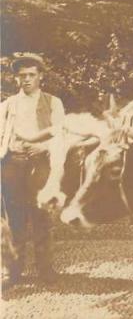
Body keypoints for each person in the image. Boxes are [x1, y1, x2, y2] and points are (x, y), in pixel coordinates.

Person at [1, 53, 65, 287]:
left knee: (42, 216)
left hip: (41, 164)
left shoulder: (53, 102)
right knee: (13, 219)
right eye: (21, 76)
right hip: (12, 164)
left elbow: (61, 133)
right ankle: (12, 271)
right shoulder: (7, 106)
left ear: (40, 77)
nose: (26, 79)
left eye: (31, 75)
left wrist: (43, 146)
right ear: (15, 79)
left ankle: (46, 270)